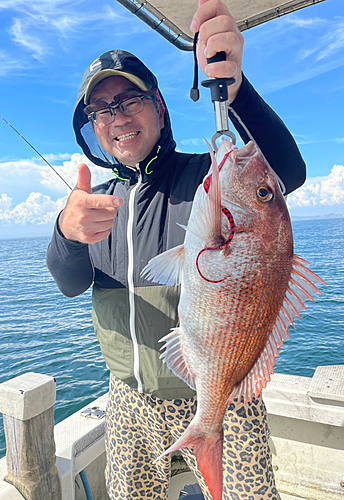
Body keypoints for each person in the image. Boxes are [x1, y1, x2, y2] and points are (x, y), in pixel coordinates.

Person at [47, 1, 306, 498]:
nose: (116, 116)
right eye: (101, 110)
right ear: (92, 128)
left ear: (160, 107)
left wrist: (236, 90)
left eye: (129, 100)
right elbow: (68, 282)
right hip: (127, 399)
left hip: (222, 394)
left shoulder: (201, 180)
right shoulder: (94, 203)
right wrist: (66, 230)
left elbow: (283, 173)